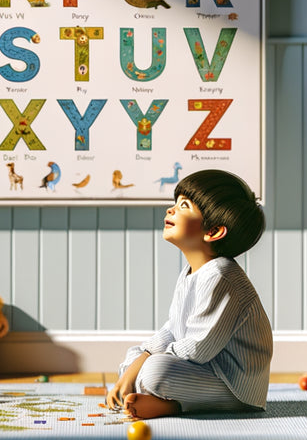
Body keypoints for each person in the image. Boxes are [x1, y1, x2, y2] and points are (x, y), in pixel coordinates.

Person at [106, 169, 273, 419]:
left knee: (153, 370)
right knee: (136, 356)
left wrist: (141, 365)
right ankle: (165, 401)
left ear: (213, 231)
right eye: (175, 203)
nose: (170, 210)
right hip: (202, 370)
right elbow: (172, 328)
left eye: (184, 206)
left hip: (233, 385)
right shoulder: (192, 272)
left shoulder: (222, 276)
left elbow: (198, 349)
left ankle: (171, 404)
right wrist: (139, 358)